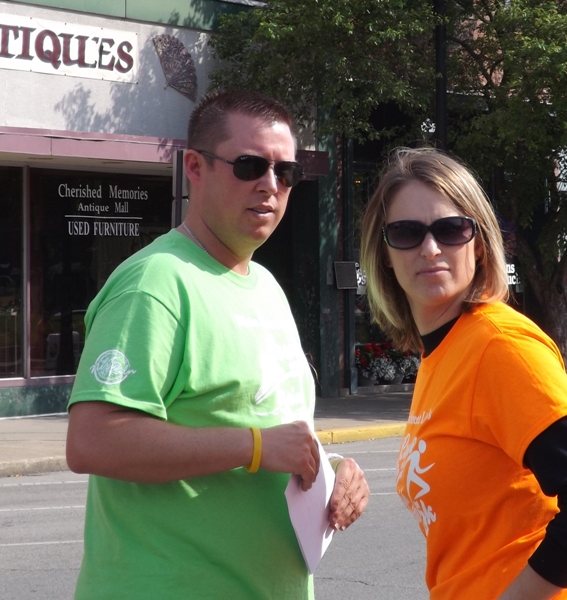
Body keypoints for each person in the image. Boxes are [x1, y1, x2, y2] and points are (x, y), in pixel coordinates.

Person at [65, 90, 369, 600]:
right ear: (195, 168)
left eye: (286, 172)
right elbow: (93, 440)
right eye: (249, 166)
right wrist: (254, 447)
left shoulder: (266, 287)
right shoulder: (156, 283)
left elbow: (273, 431)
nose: (270, 185)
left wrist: (333, 471)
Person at [360, 147, 567, 600]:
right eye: (407, 232)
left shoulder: (499, 346)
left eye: (451, 229)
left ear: (478, 242)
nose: (430, 248)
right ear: (385, 253)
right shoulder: (444, 350)